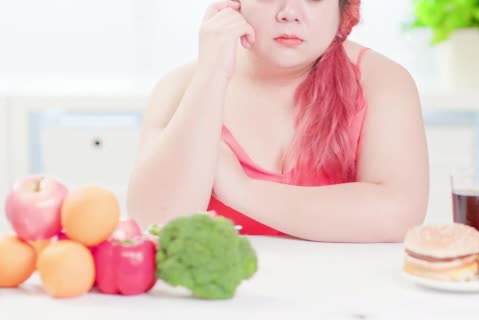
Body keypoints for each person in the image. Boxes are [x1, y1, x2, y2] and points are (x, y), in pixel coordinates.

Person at [127, 0, 429, 243]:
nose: (289, 13)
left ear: (342, 9)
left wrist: (240, 190)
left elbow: (398, 215)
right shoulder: (181, 87)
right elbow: (155, 220)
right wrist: (212, 73)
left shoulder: (382, 82)